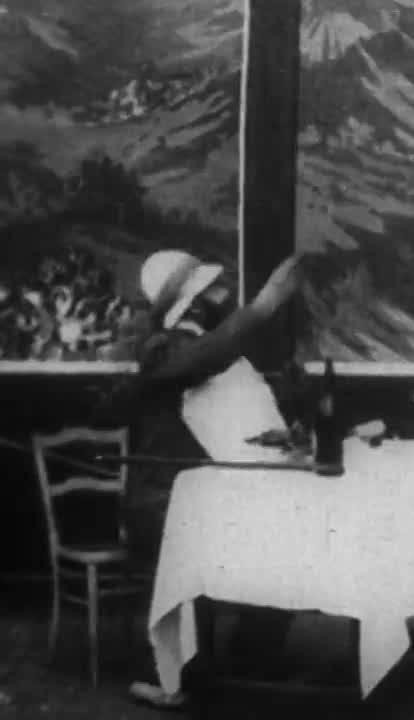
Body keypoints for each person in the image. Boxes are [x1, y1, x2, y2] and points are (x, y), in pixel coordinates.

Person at [96, 250, 305, 710]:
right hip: (163, 503)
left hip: (207, 493)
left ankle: (252, 656)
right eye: (212, 289)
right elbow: (201, 361)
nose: (223, 295)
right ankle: (175, 677)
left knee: (283, 536)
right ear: (190, 301)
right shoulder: (166, 349)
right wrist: (263, 306)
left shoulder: (210, 348)